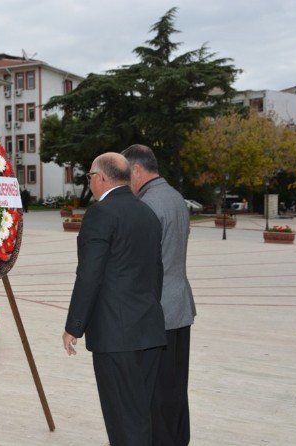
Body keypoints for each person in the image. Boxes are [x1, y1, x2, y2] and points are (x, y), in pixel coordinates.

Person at [62, 152, 166, 446]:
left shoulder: (100, 213)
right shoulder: (146, 212)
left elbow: (89, 274)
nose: (90, 182)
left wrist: (74, 325)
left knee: (123, 420)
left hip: (116, 336)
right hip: (148, 330)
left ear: (102, 178)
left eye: (90, 176)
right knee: (139, 414)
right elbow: (156, 272)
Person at [122, 144, 196, 446]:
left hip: (156, 311)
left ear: (137, 170)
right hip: (180, 305)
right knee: (175, 384)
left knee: (154, 388)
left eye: (127, 176)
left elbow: (139, 263)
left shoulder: (148, 205)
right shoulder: (176, 198)